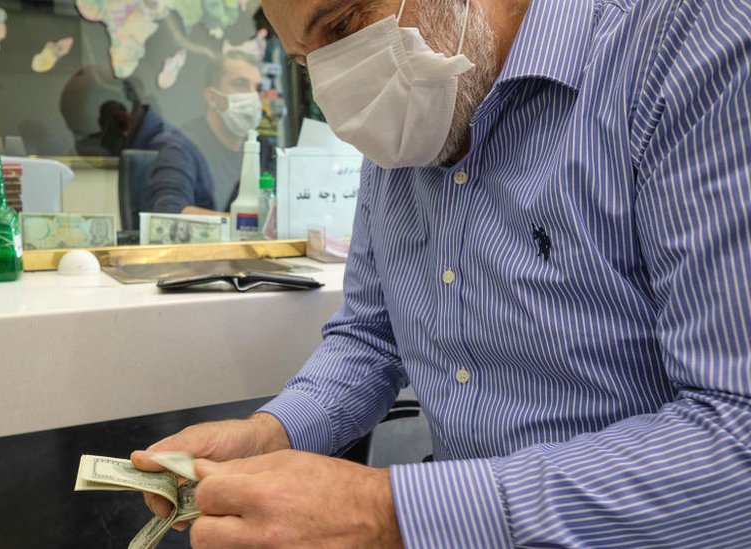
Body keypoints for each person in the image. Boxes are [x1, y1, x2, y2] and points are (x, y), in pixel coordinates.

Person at [130, 0, 751, 547]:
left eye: (344, 24)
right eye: (302, 60)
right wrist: (273, 432)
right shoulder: (409, 108)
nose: (331, 89)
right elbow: (371, 338)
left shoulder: (682, 43)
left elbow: (736, 435)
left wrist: (390, 514)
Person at [145, 51, 264, 215]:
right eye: (241, 84)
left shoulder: (263, 149)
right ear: (212, 98)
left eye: (258, 88)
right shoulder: (181, 147)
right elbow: (168, 212)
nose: (253, 96)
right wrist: (246, 223)